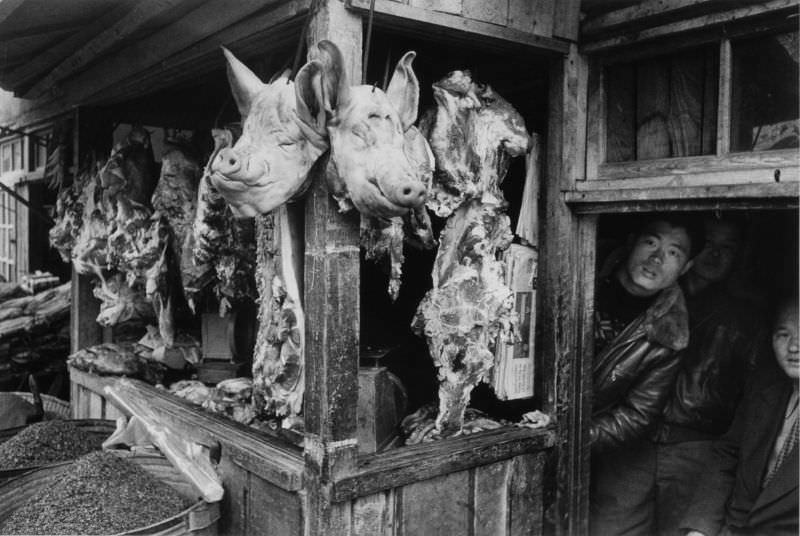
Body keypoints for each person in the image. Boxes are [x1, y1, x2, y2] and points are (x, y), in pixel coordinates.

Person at [649, 215, 763, 535]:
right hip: (637, 441)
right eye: (710, 244)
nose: (715, 254)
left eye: (727, 248)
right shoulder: (655, 295)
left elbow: (753, 398)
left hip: (698, 449)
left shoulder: (747, 316)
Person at [590, 213, 702, 536]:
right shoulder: (581, 257)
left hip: (586, 442)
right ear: (631, 242)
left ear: (687, 267)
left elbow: (636, 416)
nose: (656, 258)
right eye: (651, 242)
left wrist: (571, 436)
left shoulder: (671, 335)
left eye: (673, 253)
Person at [681, 297, 799, 536]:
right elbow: (728, 454)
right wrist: (699, 528)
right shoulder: (765, 387)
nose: (794, 347)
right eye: (783, 334)